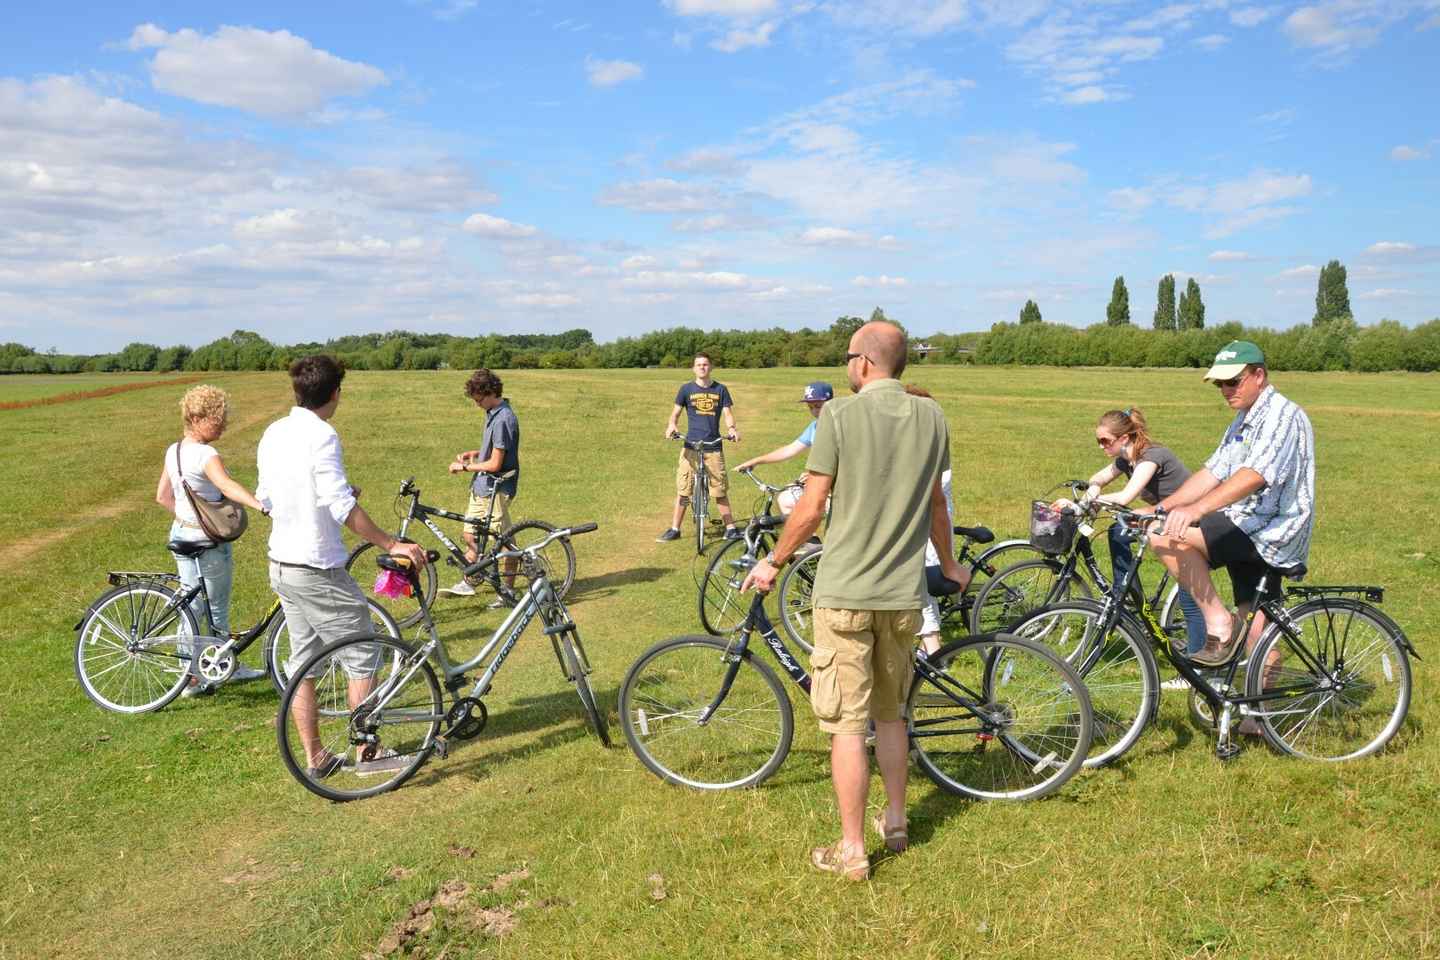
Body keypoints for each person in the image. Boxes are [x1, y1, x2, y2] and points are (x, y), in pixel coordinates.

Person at [742, 321, 967, 881]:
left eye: (848, 356)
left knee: (847, 724)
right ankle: (895, 822)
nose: (846, 365)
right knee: (891, 715)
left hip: (845, 592)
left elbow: (812, 506)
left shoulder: (839, 415)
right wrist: (952, 560)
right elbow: (938, 508)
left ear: (864, 362)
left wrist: (773, 561)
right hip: (903, 593)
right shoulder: (933, 417)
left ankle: (851, 848)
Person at [257, 355, 428, 777]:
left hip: (282, 562)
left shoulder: (273, 432)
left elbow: (268, 498)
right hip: (317, 567)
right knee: (364, 653)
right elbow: (339, 505)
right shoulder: (323, 435)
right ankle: (368, 754)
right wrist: (392, 542)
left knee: (304, 664)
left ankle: (316, 757)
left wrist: (325, 498)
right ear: (335, 393)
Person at [1146, 341, 1315, 677]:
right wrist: (1160, 507)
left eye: (1232, 381)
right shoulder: (1244, 417)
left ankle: (1221, 623)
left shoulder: (1283, 416)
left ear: (1259, 375)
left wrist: (1195, 511)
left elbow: (1253, 476)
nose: (1225, 390)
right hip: (1245, 523)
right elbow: (1213, 472)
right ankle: (1259, 717)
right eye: (1220, 384)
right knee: (1257, 634)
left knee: (1163, 535)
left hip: (1272, 530)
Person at [154, 384, 269, 695]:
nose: (223, 423)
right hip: (208, 541)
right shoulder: (206, 454)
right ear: (196, 418)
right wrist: (260, 505)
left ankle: (187, 674)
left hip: (182, 535)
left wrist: (186, 519)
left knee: (190, 606)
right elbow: (227, 486)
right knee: (214, 606)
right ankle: (222, 665)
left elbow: (163, 497)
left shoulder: (173, 450)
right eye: (217, 418)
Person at [1079, 407, 1207, 666]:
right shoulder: (1125, 458)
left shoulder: (1151, 456)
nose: (1101, 446)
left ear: (1124, 439)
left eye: (1106, 441)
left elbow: (1126, 496)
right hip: (1164, 517)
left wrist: (1088, 502)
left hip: (1191, 522)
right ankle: (1128, 591)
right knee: (1119, 529)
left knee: (1190, 597)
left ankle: (1199, 666)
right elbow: (1098, 478)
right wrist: (1093, 489)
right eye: (1098, 441)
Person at [441, 369, 519, 605]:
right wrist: (475, 453)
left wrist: (464, 467)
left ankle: (507, 591)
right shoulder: (492, 412)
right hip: (482, 486)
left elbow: (496, 463)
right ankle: (474, 576)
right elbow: (495, 451)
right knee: (469, 533)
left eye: (478, 399)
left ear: (491, 392)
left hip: (496, 489)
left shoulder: (504, 418)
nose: (476, 404)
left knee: (504, 541)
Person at [657, 352, 741, 542]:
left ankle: (731, 528)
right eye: (699, 365)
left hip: (713, 446)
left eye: (705, 364)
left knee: (719, 490)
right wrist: (672, 426)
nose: (702, 367)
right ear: (694, 368)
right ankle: (675, 529)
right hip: (690, 447)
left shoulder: (721, 389)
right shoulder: (686, 389)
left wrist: (732, 428)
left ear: (710, 367)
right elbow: (676, 413)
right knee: (684, 489)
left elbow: (728, 413)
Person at [735, 381, 832, 516]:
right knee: (785, 500)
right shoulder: (814, 427)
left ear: (831, 402)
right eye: (810, 407)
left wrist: (815, 475)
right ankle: (811, 538)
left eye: (818, 406)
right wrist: (756, 461)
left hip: (840, 491)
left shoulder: (841, 426)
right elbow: (790, 450)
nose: (814, 411)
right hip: (820, 485)